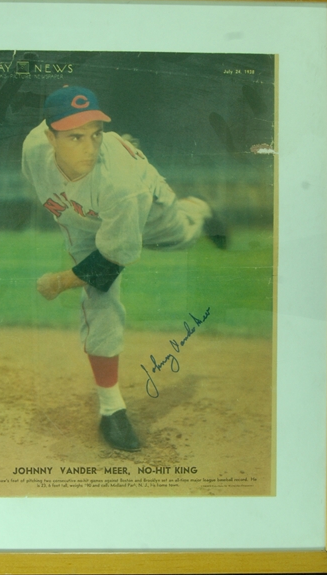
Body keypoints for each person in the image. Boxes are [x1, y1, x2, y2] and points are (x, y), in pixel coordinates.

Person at [22, 85, 226, 452]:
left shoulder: (123, 185)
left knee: (182, 235)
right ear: (50, 137)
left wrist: (58, 281)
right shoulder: (33, 151)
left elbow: (109, 263)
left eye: (97, 135)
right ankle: (111, 410)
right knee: (100, 301)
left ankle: (201, 208)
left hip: (146, 208)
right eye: (75, 136)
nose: (89, 146)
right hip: (85, 223)